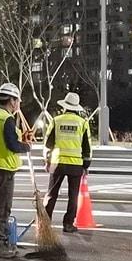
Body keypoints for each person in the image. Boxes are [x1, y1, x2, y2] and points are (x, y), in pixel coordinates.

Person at [0, 82, 33, 258]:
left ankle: (2, 240)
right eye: (17, 100)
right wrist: (27, 147)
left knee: (1, 206)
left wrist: (22, 137)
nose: (19, 103)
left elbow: (6, 138)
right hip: (3, 168)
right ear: (11, 101)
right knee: (3, 208)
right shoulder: (7, 119)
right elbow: (12, 145)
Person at [45, 92, 92, 232]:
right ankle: (68, 224)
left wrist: (47, 161)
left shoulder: (56, 120)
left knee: (51, 194)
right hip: (75, 165)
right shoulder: (83, 123)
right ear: (77, 108)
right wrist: (86, 166)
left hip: (57, 163)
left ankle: (46, 223)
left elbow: (48, 144)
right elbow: (87, 147)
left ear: (65, 106)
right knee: (73, 196)